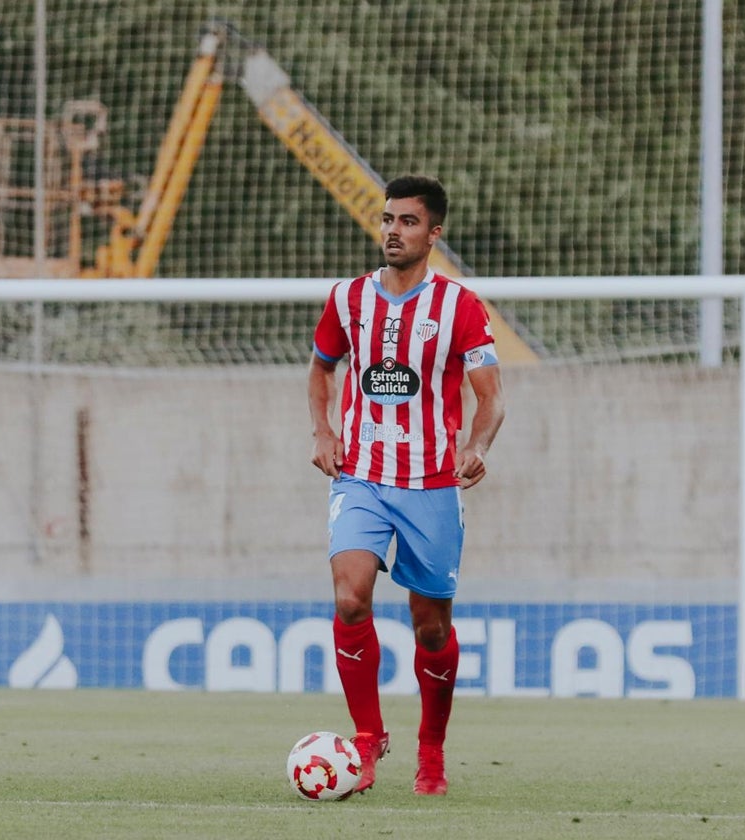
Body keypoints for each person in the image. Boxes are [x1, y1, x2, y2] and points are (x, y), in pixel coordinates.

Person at [307, 174, 505, 796]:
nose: (393, 230)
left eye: (408, 222)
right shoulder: (347, 299)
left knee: (432, 629)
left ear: (434, 232)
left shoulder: (460, 307)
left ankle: (432, 752)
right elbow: (321, 370)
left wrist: (476, 446)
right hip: (361, 476)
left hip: (431, 485)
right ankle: (367, 740)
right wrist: (323, 431)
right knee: (350, 597)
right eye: (388, 219)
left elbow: (491, 398)